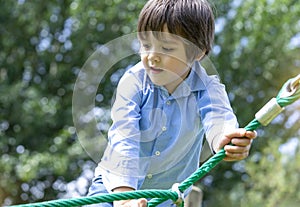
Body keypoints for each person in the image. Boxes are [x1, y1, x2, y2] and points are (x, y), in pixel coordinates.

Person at [88, 0, 257, 206]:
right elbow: (125, 139)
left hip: (165, 199)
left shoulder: (208, 89)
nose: (151, 56)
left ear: (198, 52)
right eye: (145, 44)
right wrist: (125, 198)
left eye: (166, 48)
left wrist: (226, 140)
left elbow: (218, 117)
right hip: (113, 190)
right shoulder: (132, 82)